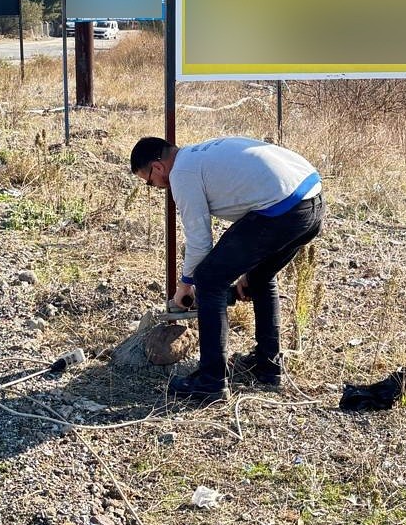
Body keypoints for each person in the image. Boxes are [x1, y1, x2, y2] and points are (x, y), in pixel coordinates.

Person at [130, 135, 324, 402]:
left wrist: (185, 286)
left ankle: (211, 382)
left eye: (151, 182)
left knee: (209, 279)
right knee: (259, 277)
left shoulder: (182, 175)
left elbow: (199, 242)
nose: (157, 186)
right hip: (311, 202)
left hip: (284, 209)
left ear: (159, 166)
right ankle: (268, 367)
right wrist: (247, 269)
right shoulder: (201, 155)